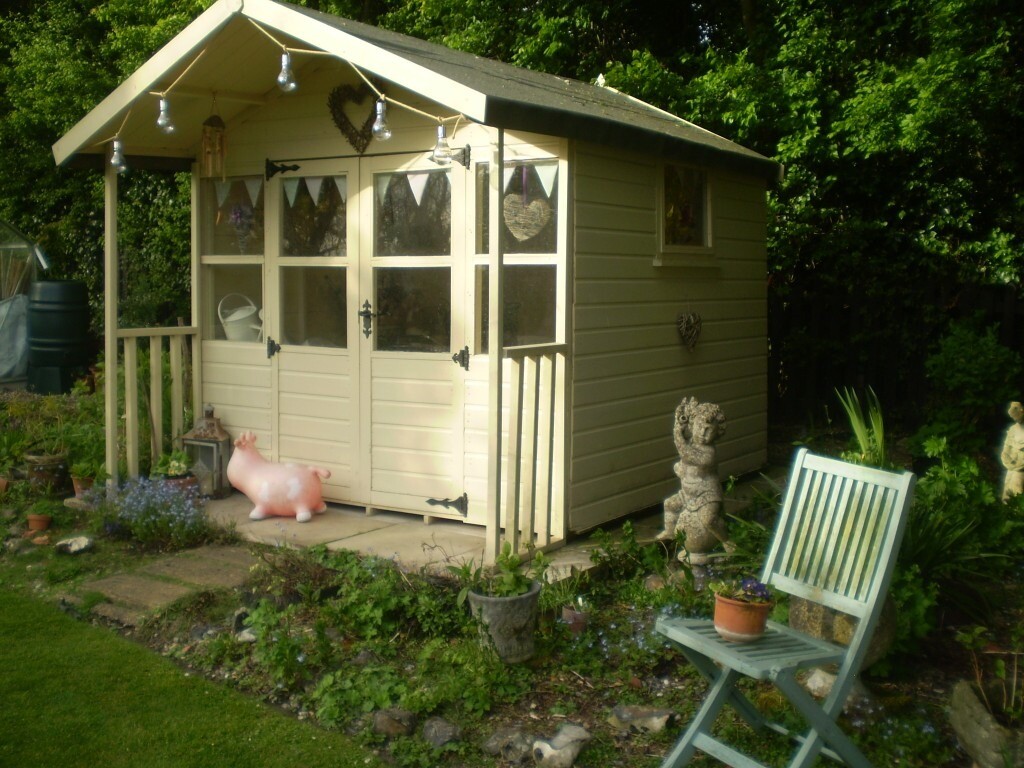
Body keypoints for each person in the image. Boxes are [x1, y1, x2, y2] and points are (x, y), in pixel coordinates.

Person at [658, 397, 729, 564]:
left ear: (717, 432)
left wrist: (676, 432)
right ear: (693, 425)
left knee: (708, 519)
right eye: (699, 427)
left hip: (707, 493)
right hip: (688, 492)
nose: (703, 434)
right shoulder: (691, 442)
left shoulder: (708, 453)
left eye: (708, 430)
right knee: (669, 505)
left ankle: (726, 540)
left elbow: (686, 454)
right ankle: (670, 532)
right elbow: (685, 463)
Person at [1000, 401, 1024, 501]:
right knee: (1007, 489)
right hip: (1011, 465)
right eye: (1013, 417)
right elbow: (1006, 447)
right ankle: (1005, 512)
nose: (1015, 418)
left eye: (1016, 416)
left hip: (1021, 467)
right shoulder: (1013, 429)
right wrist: (1006, 459)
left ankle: (1016, 514)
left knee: (1016, 489)